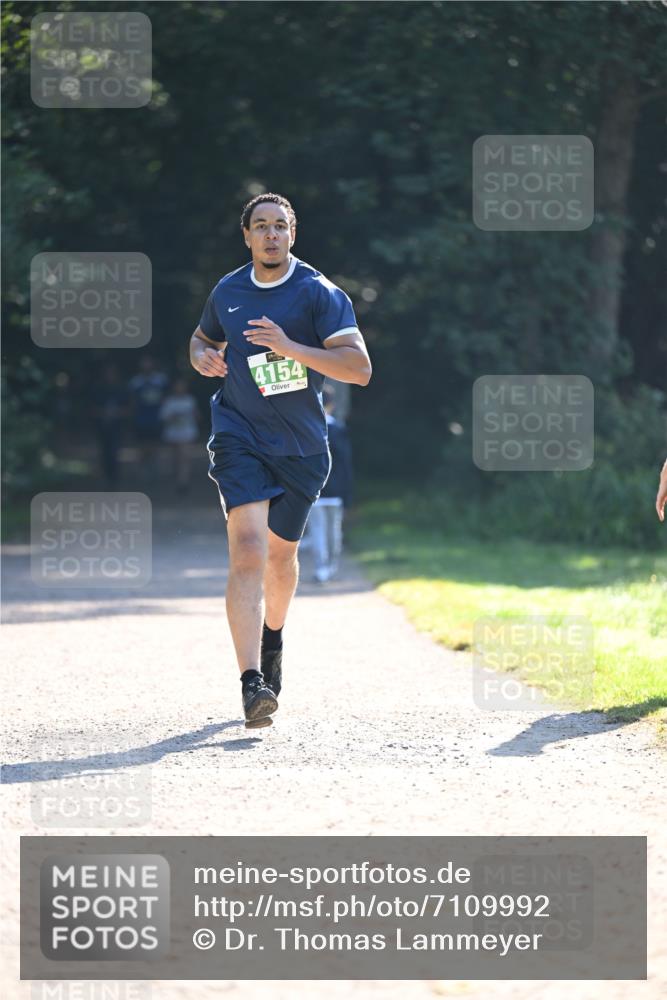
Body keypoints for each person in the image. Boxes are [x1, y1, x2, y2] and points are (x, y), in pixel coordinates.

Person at [189, 192, 372, 728]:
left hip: (302, 447)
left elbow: (358, 368)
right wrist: (202, 355)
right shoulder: (228, 290)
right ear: (246, 235)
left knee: (279, 557)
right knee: (247, 548)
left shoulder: (318, 293)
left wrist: (291, 347)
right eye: (261, 226)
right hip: (239, 434)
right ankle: (251, 684)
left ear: (293, 234)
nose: (271, 235)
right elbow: (201, 338)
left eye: (280, 226)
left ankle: (274, 639)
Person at [306, 386, 353, 583]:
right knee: (332, 532)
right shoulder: (337, 430)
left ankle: (323, 567)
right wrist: (348, 494)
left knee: (318, 531)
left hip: (314, 491)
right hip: (332, 491)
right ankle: (327, 566)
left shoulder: (307, 428)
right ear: (331, 404)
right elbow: (345, 465)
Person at [127, 356, 168, 479]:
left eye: (148, 363)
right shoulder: (136, 382)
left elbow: (165, 398)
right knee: (142, 446)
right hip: (141, 418)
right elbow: (132, 401)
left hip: (156, 417)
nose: (147, 366)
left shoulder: (160, 380)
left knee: (155, 444)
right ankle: (142, 471)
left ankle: (154, 469)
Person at [159, 377, 199, 494]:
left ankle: (183, 482)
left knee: (184, 458)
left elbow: (197, 416)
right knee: (175, 458)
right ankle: (177, 479)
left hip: (187, 432)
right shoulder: (169, 401)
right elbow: (163, 417)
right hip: (173, 433)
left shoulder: (190, 400)